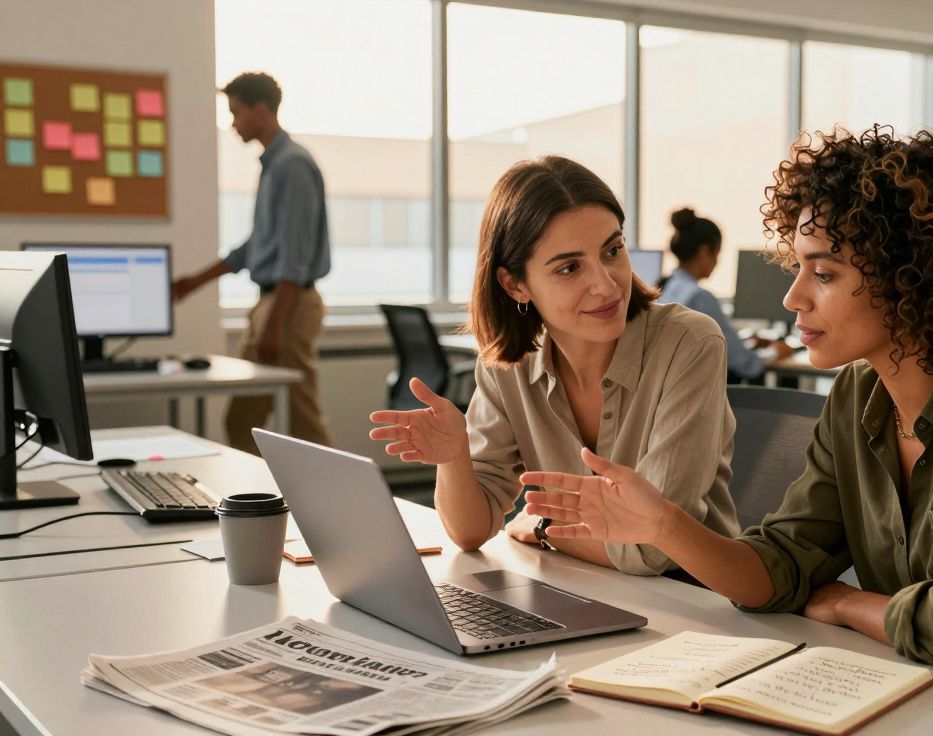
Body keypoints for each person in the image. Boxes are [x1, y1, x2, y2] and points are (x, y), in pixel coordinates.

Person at [522, 127, 933, 709]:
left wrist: (850, 602)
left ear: (916, 279)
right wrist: (661, 524)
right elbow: (779, 570)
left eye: (823, 273)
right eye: (798, 268)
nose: (794, 297)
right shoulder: (858, 394)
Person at [367, 156, 739, 575]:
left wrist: (544, 529)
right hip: (579, 586)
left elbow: (655, 549)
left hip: (694, 606)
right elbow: (469, 532)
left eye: (612, 250)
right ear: (515, 284)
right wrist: (454, 458)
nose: (605, 284)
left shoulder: (689, 342)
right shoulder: (509, 365)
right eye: (569, 267)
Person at [172, 72, 332, 454]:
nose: (233, 124)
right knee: (243, 421)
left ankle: (340, 508)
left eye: (236, 113)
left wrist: (275, 323)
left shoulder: (291, 165)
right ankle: (270, 501)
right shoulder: (274, 164)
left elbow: (293, 255)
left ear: (261, 110)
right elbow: (256, 247)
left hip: (288, 304)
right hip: (272, 303)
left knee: (301, 423)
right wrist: (194, 282)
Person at [659, 208, 794, 382]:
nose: (717, 262)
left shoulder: (666, 287)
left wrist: (744, 342)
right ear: (704, 251)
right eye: (717, 253)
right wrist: (776, 351)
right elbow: (745, 365)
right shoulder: (699, 298)